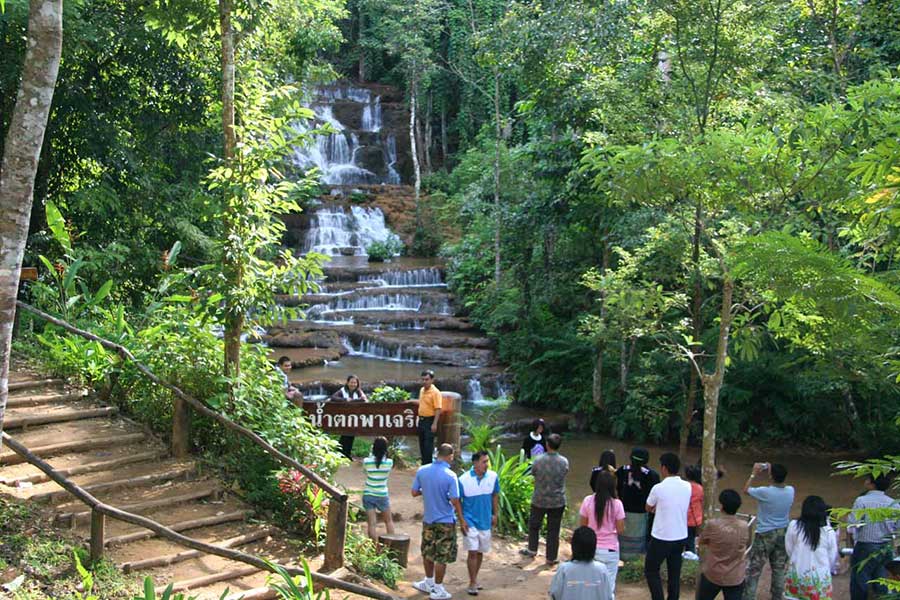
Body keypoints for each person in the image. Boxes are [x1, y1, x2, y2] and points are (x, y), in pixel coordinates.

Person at [412, 443, 468, 600]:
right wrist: (462, 520)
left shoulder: (422, 470)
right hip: (445, 521)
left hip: (428, 519)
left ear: (437, 454)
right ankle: (438, 589)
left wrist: (428, 490)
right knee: (441, 556)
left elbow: (414, 492)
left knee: (428, 552)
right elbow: (455, 500)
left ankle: (428, 582)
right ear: (450, 456)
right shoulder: (450, 476)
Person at [742, 462, 794, 600]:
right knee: (779, 568)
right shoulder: (790, 490)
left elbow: (745, 490)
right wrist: (771, 469)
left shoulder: (765, 492)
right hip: (783, 532)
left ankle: (748, 597)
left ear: (771, 476)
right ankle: (777, 596)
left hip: (765, 534)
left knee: (754, 570)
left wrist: (754, 473)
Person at [644, 452, 692, 600]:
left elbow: (648, 507)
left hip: (661, 536)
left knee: (651, 570)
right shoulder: (687, 486)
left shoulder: (658, 488)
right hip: (681, 536)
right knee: (674, 573)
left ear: (664, 468)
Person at [848, 473, 899, 600]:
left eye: (867, 478)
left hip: (865, 545)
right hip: (886, 546)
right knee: (881, 579)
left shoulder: (862, 501)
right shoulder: (893, 504)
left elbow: (853, 523)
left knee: (860, 580)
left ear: (871, 483)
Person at [521, 433, 569, 565]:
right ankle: (551, 558)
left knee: (534, 525)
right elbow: (564, 473)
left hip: (539, 499)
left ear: (547, 445)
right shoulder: (564, 461)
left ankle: (532, 549)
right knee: (554, 530)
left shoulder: (538, 460)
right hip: (557, 500)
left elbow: (534, 474)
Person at [458, 450, 500, 596]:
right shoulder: (463, 479)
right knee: (473, 552)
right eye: (484, 462)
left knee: (480, 551)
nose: (487, 464)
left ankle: (474, 579)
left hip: (485, 521)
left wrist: (495, 514)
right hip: (470, 522)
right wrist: (462, 520)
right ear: (475, 463)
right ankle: (472, 582)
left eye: (487, 461)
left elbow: (495, 495)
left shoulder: (493, 477)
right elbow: (457, 502)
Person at [696, 489, 750, 600]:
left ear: (721, 506)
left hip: (713, 573)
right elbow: (746, 544)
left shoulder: (713, 524)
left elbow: (701, 541)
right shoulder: (744, 526)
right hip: (735, 576)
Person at [579, 470, 625, 598]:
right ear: (613, 486)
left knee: (589, 585)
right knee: (608, 588)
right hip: (610, 550)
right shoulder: (617, 504)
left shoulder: (587, 500)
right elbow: (620, 529)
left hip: (591, 549)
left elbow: (583, 527)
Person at [784, 495, 838, 600]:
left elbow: (789, 548)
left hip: (797, 574)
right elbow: (832, 556)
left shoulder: (794, 526)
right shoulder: (828, 531)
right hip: (821, 578)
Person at [615, 448, 660, 558]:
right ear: (647, 460)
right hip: (642, 514)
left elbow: (616, 489)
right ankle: (635, 559)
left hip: (622, 512)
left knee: (622, 537)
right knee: (639, 541)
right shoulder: (652, 475)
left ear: (631, 458)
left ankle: (620, 556)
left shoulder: (621, 470)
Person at [548, 527, 612, 600]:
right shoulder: (602, 569)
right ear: (594, 547)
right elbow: (608, 596)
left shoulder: (564, 569)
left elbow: (555, 594)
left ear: (574, 546)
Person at [362, 436, 395, 542]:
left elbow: (365, 472)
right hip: (382, 494)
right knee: (388, 521)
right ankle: (391, 545)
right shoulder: (389, 462)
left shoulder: (366, 461)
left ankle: (373, 546)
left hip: (368, 493)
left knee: (371, 523)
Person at [329, 374, 368, 459]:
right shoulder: (342, 390)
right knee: (345, 435)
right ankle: (341, 453)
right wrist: (345, 400)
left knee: (351, 435)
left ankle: (347, 454)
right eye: (351, 382)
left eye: (355, 383)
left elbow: (364, 399)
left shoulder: (358, 391)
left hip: (354, 418)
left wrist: (352, 401)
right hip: (343, 417)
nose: (353, 384)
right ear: (347, 383)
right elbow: (333, 397)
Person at [417, 370, 442, 465]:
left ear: (432, 380)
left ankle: (428, 466)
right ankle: (423, 465)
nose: (424, 382)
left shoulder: (435, 392)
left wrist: (434, 423)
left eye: (426, 379)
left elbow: (438, 408)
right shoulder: (422, 390)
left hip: (430, 421)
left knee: (428, 447)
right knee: (422, 445)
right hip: (421, 420)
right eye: (423, 379)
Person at [684, 464, 704, 559]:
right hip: (695, 520)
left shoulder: (684, 487)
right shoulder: (700, 489)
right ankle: (691, 559)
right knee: (690, 542)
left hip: (683, 519)